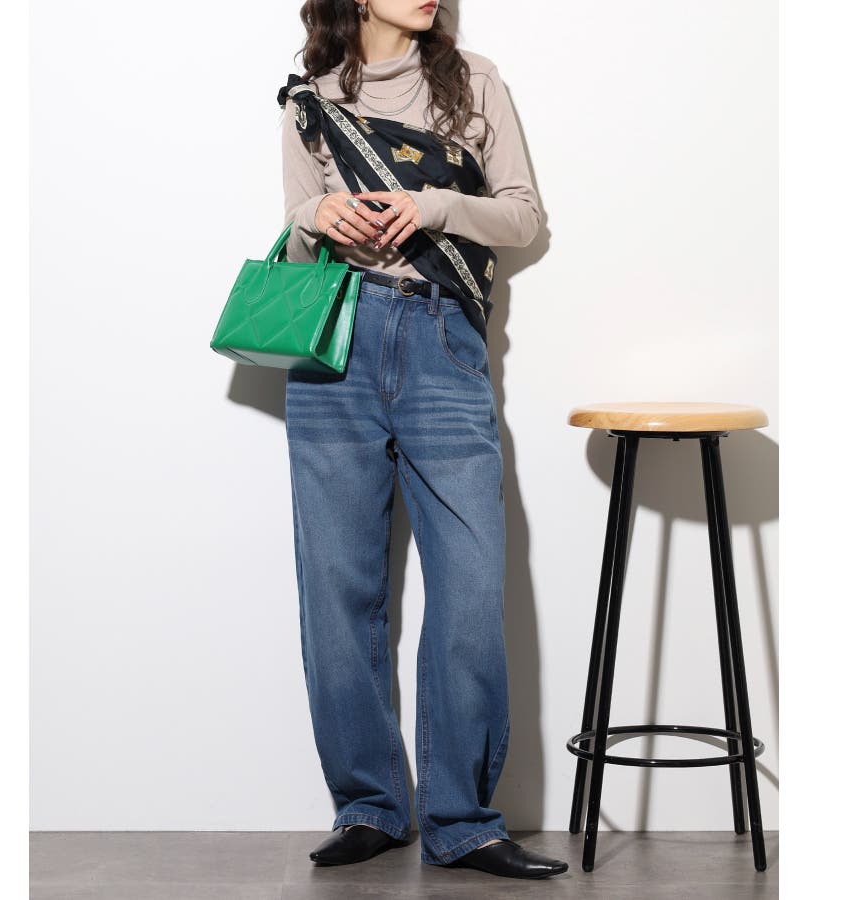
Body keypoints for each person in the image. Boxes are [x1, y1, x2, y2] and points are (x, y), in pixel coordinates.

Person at [278, 0, 567, 880]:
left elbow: (523, 218)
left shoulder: (473, 81)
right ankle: (369, 805)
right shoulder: (310, 98)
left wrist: (433, 206)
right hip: (336, 345)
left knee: (471, 585)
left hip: (444, 338)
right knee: (337, 587)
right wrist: (318, 220)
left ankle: (463, 820)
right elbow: (297, 239)